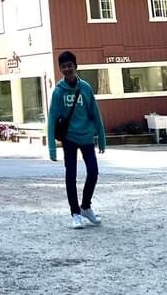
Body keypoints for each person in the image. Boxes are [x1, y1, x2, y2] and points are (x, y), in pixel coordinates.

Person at [47, 50, 106, 230]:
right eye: (63, 67)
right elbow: (51, 119)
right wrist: (52, 148)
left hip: (87, 137)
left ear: (75, 66)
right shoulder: (58, 92)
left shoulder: (86, 88)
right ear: (60, 69)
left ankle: (86, 206)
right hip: (69, 139)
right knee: (70, 175)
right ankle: (75, 213)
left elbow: (95, 114)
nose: (67, 69)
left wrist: (101, 138)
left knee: (93, 172)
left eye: (69, 65)